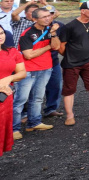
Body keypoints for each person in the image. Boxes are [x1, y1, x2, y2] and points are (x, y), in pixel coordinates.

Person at [13, 7, 59, 139]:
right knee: (20, 100)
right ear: (34, 19)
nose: (48, 18)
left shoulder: (49, 30)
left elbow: (56, 46)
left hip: (45, 68)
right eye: (44, 17)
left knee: (38, 98)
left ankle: (34, 122)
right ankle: (13, 129)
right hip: (28, 70)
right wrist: (48, 46)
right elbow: (29, 55)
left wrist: (53, 34)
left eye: (49, 16)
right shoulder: (27, 33)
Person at [59, 1, 89, 125]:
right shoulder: (70, 26)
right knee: (69, 90)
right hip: (71, 63)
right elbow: (61, 46)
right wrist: (69, 55)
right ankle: (70, 116)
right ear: (82, 11)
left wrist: (87, 49)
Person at [0, 28, 27, 157]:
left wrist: (9, 78)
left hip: (5, 99)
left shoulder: (12, 52)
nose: (0, 36)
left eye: (1, 33)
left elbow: (22, 73)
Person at [41, 6, 64, 118]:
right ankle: (28, 113)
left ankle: (51, 108)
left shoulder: (60, 25)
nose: (49, 16)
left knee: (56, 85)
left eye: (51, 13)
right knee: (35, 89)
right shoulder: (35, 27)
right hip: (37, 62)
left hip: (53, 60)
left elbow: (64, 41)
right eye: (46, 14)